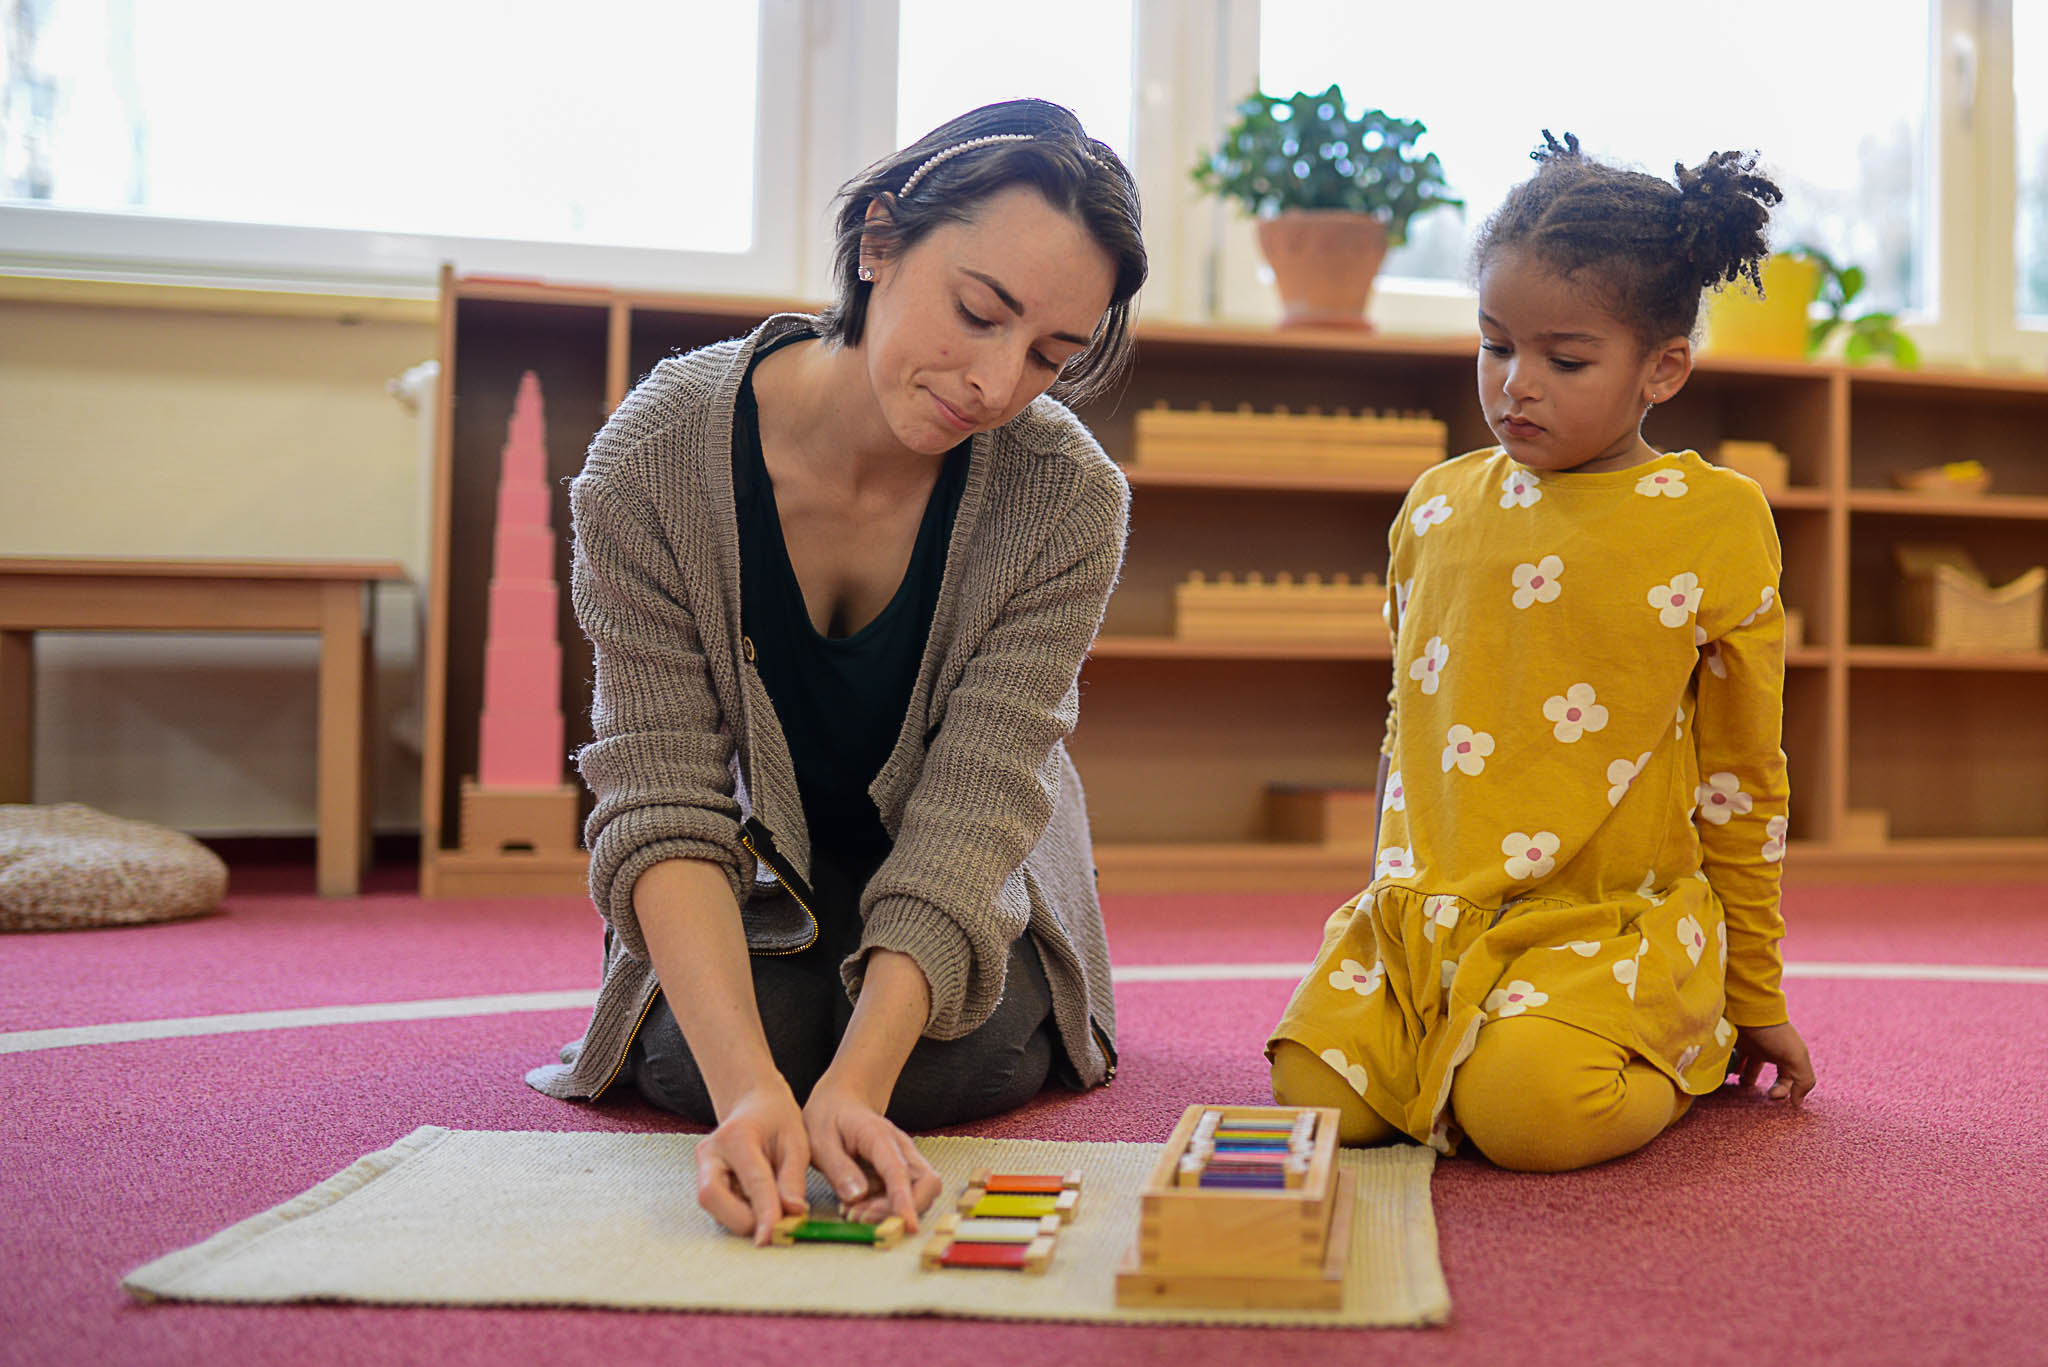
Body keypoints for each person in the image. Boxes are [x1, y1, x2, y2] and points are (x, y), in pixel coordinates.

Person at [526, 99, 1146, 1241]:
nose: (998, 382)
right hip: (762, 853)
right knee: (690, 1060)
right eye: (978, 312)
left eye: (1050, 354)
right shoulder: (652, 460)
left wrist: (854, 1086)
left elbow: (976, 803)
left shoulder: (1067, 495)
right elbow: (659, 795)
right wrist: (751, 1088)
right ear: (877, 239)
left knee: (941, 1070)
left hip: (959, 854)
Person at [1268, 131, 1817, 1172]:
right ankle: (1456, 1032)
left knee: (1527, 1115)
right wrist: (1388, 916)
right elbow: (1407, 726)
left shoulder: (1715, 516)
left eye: (1562, 359)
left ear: (1662, 367)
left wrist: (1754, 995)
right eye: (1492, 344)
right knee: (1314, 1095)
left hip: (1599, 925)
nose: (1514, 384)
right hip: (1426, 918)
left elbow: (1744, 778)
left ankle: (1674, 1042)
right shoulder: (1434, 504)